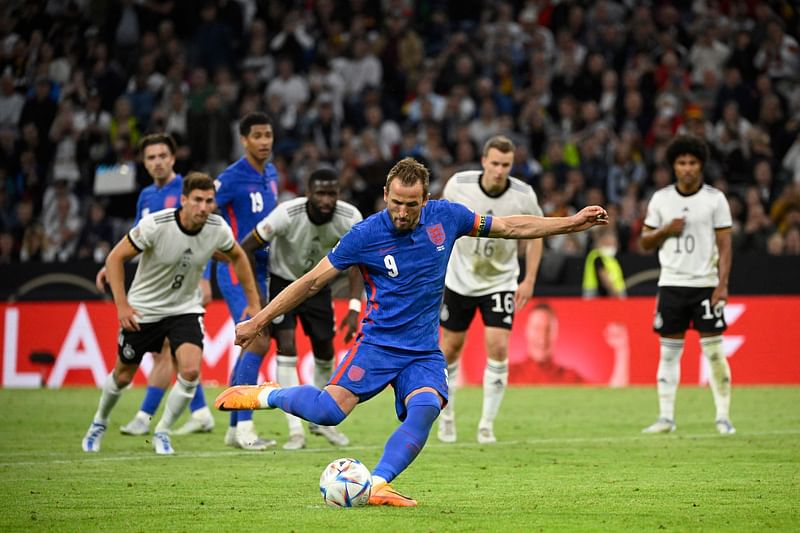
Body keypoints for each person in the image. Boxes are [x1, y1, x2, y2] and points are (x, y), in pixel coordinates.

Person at [215, 157, 608, 506]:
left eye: (411, 204)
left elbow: (509, 226)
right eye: (395, 203)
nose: (401, 213)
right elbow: (311, 282)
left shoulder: (447, 217)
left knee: (427, 407)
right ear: (385, 194)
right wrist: (259, 320)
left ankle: (377, 485)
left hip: (421, 351)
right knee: (327, 413)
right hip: (377, 345)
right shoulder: (366, 234)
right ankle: (269, 394)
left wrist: (571, 223)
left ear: (426, 198)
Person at [81, 172, 261, 454]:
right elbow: (115, 258)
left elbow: (238, 255)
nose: (204, 207)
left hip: (185, 308)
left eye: (209, 201)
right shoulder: (156, 224)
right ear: (184, 200)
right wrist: (122, 306)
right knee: (123, 375)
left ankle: (162, 430)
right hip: (145, 310)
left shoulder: (217, 228)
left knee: (190, 370)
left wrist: (253, 303)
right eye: (198, 201)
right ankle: (99, 422)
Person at [95, 133, 215, 436]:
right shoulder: (146, 195)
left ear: (173, 159)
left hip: (183, 284)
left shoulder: (189, 191)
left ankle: (146, 416)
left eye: (163, 155)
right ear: (144, 163)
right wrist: (109, 265)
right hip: (154, 284)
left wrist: (204, 278)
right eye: (151, 157)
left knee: (168, 350)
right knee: (173, 354)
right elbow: (134, 239)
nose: (158, 162)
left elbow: (207, 233)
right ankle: (199, 412)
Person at [240, 167, 363, 450]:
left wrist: (355, 307)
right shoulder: (286, 213)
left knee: (325, 351)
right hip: (284, 284)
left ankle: (318, 421)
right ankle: (295, 429)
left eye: (332, 193)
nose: (326, 200)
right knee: (287, 346)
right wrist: (258, 302)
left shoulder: (350, 218)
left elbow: (360, 261)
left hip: (319, 285)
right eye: (320, 193)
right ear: (308, 193)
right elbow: (246, 247)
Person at [436, 135, 544, 445]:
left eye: (506, 165)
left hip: (500, 281)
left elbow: (536, 235)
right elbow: (442, 225)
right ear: (484, 161)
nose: (499, 171)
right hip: (459, 279)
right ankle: (447, 418)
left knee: (497, 347)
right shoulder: (459, 185)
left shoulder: (524, 195)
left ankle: (486, 425)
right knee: (450, 349)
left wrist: (529, 280)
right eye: (495, 163)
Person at [640, 134, 735, 435]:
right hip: (671, 284)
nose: (687, 168)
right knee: (669, 353)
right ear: (673, 166)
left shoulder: (715, 199)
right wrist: (666, 230)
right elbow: (644, 242)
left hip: (706, 285)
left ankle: (723, 416)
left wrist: (722, 284)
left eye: (693, 162)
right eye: (681, 162)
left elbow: (725, 244)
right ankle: (666, 417)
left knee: (715, 353)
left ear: (701, 165)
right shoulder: (661, 199)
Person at [214, 111, 280, 450]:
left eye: (268, 134)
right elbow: (204, 213)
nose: (265, 141)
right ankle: (245, 428)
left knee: (253, 343)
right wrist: (217, 251)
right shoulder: (230, 178)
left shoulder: (271, 172)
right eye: (257, 135)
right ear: (244, 140)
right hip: (237, 270)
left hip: (263, 270)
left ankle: (232, 426)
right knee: (256, 341)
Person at [582, 228, 626, 299]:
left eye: (614, 244)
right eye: (609, 243)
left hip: (613, 293)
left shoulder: (611, 259)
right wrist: (614, 292)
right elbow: (603, 276)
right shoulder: (596, 256)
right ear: (601, 242)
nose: (613, 247)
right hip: (596, 295)